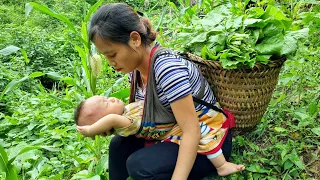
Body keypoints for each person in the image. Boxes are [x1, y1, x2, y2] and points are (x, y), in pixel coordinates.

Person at [87, 3, 242, 180]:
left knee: (140, 166)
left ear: (135, 39)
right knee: (118, 145)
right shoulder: (135, 71)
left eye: (112, 54)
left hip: (208, 140)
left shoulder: (167, 70)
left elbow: (192, 131)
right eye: (105, 56)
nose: (110, 63)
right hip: (171, 130)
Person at [75, 96, 245, 176]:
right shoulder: (123, 121)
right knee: (118, 145)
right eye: (106, 103)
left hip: (189, 125)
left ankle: (221, 165)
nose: (111, 98)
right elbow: (112, 118)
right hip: (172, 129)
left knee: (203, 135)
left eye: (106, 98)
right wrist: (91, 130)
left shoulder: (127, 110)